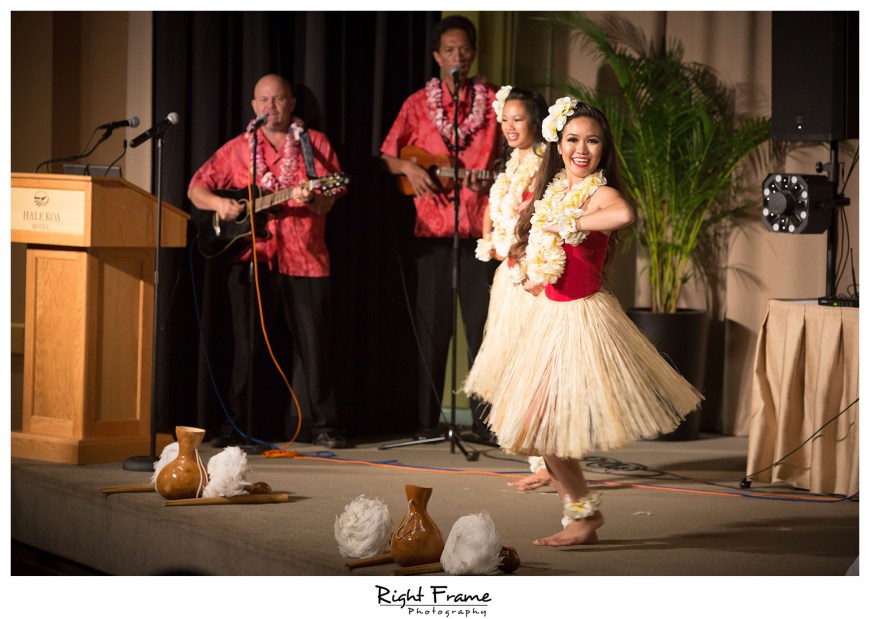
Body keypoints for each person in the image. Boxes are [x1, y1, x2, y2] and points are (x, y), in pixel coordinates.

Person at [485, 98, 702, 546]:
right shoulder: (554, 191)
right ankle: (581, 514)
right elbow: (546, 251)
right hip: (549, 315)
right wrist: (531, 275)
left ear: (604, 149)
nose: (581, 149)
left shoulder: (599, 193)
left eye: (592, 141)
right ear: (558, 145)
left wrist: (571, 221)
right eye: (573, 140)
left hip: (581, 319)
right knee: (538, 428)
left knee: (545, 426)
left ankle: (583, 516)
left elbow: (623, 215)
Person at [188, 73, 349, 449]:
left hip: (306, 259)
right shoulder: (241, 148)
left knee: (315, 348)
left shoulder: (315, 143)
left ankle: (325, 425)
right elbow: (197, 187)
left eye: (278, 100)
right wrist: (221, 205)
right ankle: (238, 427)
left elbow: (332, 194)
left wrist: (315, 198)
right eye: (263, 100)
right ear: (253, 107)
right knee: (248, 349)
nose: (270, 107)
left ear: (292, 104)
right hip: (254, 261)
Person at [380, 15, 501, 443]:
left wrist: (494, 176)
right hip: (432, 233)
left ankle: (485, 423)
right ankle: (425, 421)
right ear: (437, 56)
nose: (458, 57)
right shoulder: (418, 103)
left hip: (480, 233)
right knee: (432, 331)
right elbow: (389, 155)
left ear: (473, 54)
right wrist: (410, 168)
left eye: (464, 49)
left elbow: (514, 154)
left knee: (483, 329)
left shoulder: (494, 103)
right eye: (449, 50)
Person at [460, 85, 552, 488]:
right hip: (507, 276)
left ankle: (547, 459)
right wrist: (493, 241)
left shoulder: (546, 163)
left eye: (519, 119)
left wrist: (515, 245)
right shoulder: (510, 163)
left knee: (534, 368)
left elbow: (543, 216)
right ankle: (538, 459)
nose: (510, 127)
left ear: (536, 121)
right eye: (506, 120)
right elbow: (494, 215)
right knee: (512, 366)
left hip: (531, 275)